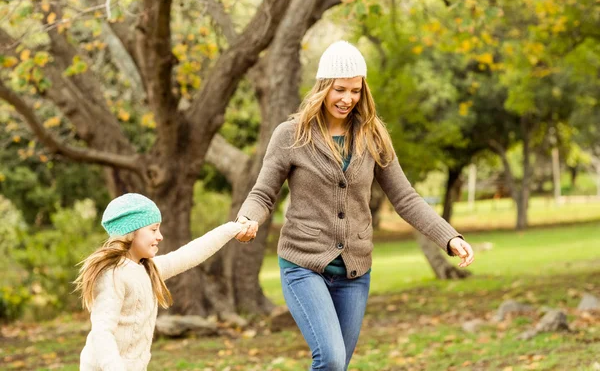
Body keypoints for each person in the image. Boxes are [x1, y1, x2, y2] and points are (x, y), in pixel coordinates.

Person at [234, 40, 475, 370]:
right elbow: (262, 194)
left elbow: (405, 198)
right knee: (330, 359)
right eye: (340, 90)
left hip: (354, 271)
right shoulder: (291, 135)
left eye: (355, 91)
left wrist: (450, 237)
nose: (348, 99)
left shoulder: (373, 137)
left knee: (339, 366)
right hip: (303, 264)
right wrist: (248, 219)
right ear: (322, 88)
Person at [75, 193, 244, 370]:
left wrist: (232, 229)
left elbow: (190, 254)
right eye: (154, 229)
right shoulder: (112, 274)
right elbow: (102, 332)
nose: (160, 236)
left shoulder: (149, 269)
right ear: (131, 232)